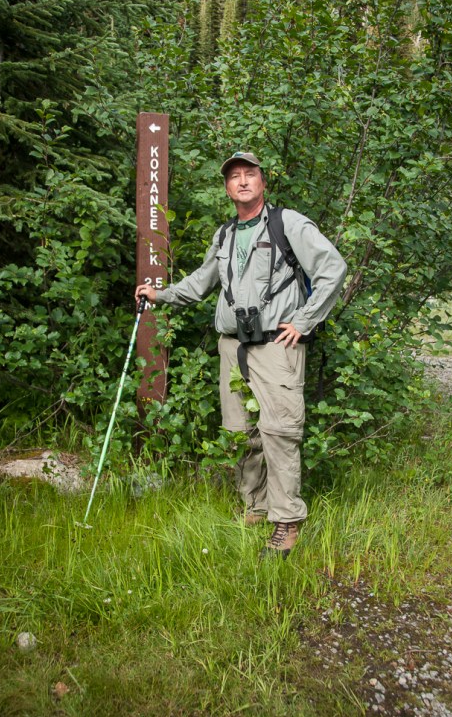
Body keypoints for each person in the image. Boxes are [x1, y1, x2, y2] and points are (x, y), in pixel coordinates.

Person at [135, 151, 347, 558]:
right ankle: (255, 506)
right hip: (232, 346)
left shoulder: (288, 224)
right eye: (235, 177)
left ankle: (287, 521)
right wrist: (160, 295)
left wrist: (304, 321)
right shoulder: (226, 235)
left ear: (263, 182)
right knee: (240, 433)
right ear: (227, 188)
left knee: (280, 431)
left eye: (250, 174)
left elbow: (333, 268)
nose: (243, 181)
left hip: (277, 345)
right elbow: (201, 282)